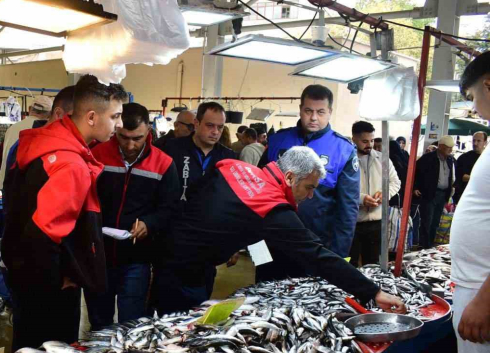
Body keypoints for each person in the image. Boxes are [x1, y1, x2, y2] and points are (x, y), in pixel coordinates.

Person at [153, 147, 405, 315]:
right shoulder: (271, 205)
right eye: (309, 187)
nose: (310, 195)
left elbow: (197, 196)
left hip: (174, 255)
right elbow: (317, 255)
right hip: (185, 271)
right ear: (289, 176)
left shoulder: (233, 166)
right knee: (176, 331)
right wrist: (374, 292)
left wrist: (227, 241)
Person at [2, 75, 128, 351]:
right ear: (92, 117)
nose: (119, 124)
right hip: (47, 290)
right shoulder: (70, 164)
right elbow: (42, 235)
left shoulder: (40, 146)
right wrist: (58, 280)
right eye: (115, 116)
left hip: (24, 277)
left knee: (26, 352)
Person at [85, 103, 180, 329]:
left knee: (133, 323)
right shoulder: (96, 156)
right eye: (123, 137)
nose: (129, 145)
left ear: (149, 129)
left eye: (136, 138)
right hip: (98, 256)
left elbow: (170, 207)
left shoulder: (163, 163)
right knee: (99, 322)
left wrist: (150, 223)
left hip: (137, 258)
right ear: (116, 129)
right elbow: (83, 200)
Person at [261, 85, 359, 259]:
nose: (313, 117)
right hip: (271, 242)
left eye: (320, 112)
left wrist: (339, 257)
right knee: (262, 284)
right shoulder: (277, 140)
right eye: (308, 111)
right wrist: (256, 251)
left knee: (310, 286)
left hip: (315, 245)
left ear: (330, 112)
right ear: (300, 109)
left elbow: (348, 209)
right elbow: (257, 191)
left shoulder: (343, 149)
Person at [451, 50, 490, 353]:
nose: (474, 108)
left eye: (473, 96)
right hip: (478, 286)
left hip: (483, 292)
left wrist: (482, 300)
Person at [160, 102, 237, 299]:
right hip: (171, 242)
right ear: (196, 123)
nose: (215, 132)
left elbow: (235, 204)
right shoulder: (171, 150)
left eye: (220, 127)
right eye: (210, 125)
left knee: (198, 304)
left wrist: (233, 243)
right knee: (165, 305)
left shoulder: (229, 159)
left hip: (207, 245)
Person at [349, 121, 400, 267]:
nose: (369, 145)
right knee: (349, 262)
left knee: (372, 263)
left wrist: (385, 194)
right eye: (364, 141)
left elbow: (395, 182)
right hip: (352, 221)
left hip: (377, 221)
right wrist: (361, 199)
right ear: (354, 139)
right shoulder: (346, 159)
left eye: (371, 140)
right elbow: (340, 189)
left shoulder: (383, 159)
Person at [3, 86, 76, 177]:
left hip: (6, 182)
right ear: (53, 114)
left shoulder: (12, 129)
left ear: (29, 109)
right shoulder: (37, 135)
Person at [0, 95, 53, 190]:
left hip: (7, 185)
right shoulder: (45, 130)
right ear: (50, 114)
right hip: (28, 189)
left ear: (29, 109)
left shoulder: (12, 128)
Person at [414, 135, 455, 248]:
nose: (450, 150)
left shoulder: (450, 160)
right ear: (440, 146)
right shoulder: (428, 158)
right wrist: (415, 187)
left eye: (451, 148)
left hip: (442, 195)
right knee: (427, 221)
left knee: (435, 223)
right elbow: (416, 173)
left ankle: (430, 244)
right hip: (429, 194)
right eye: (448, 147)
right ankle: (424, 246)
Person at [454, 131, 486, 204]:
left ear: (485, 142)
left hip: (483, 197)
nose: (475, 143)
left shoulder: (487, 158)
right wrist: (482, 179)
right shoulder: (464, 158)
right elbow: (462, 177)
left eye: (478, 141)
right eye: (474, 140)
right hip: (465, 196)